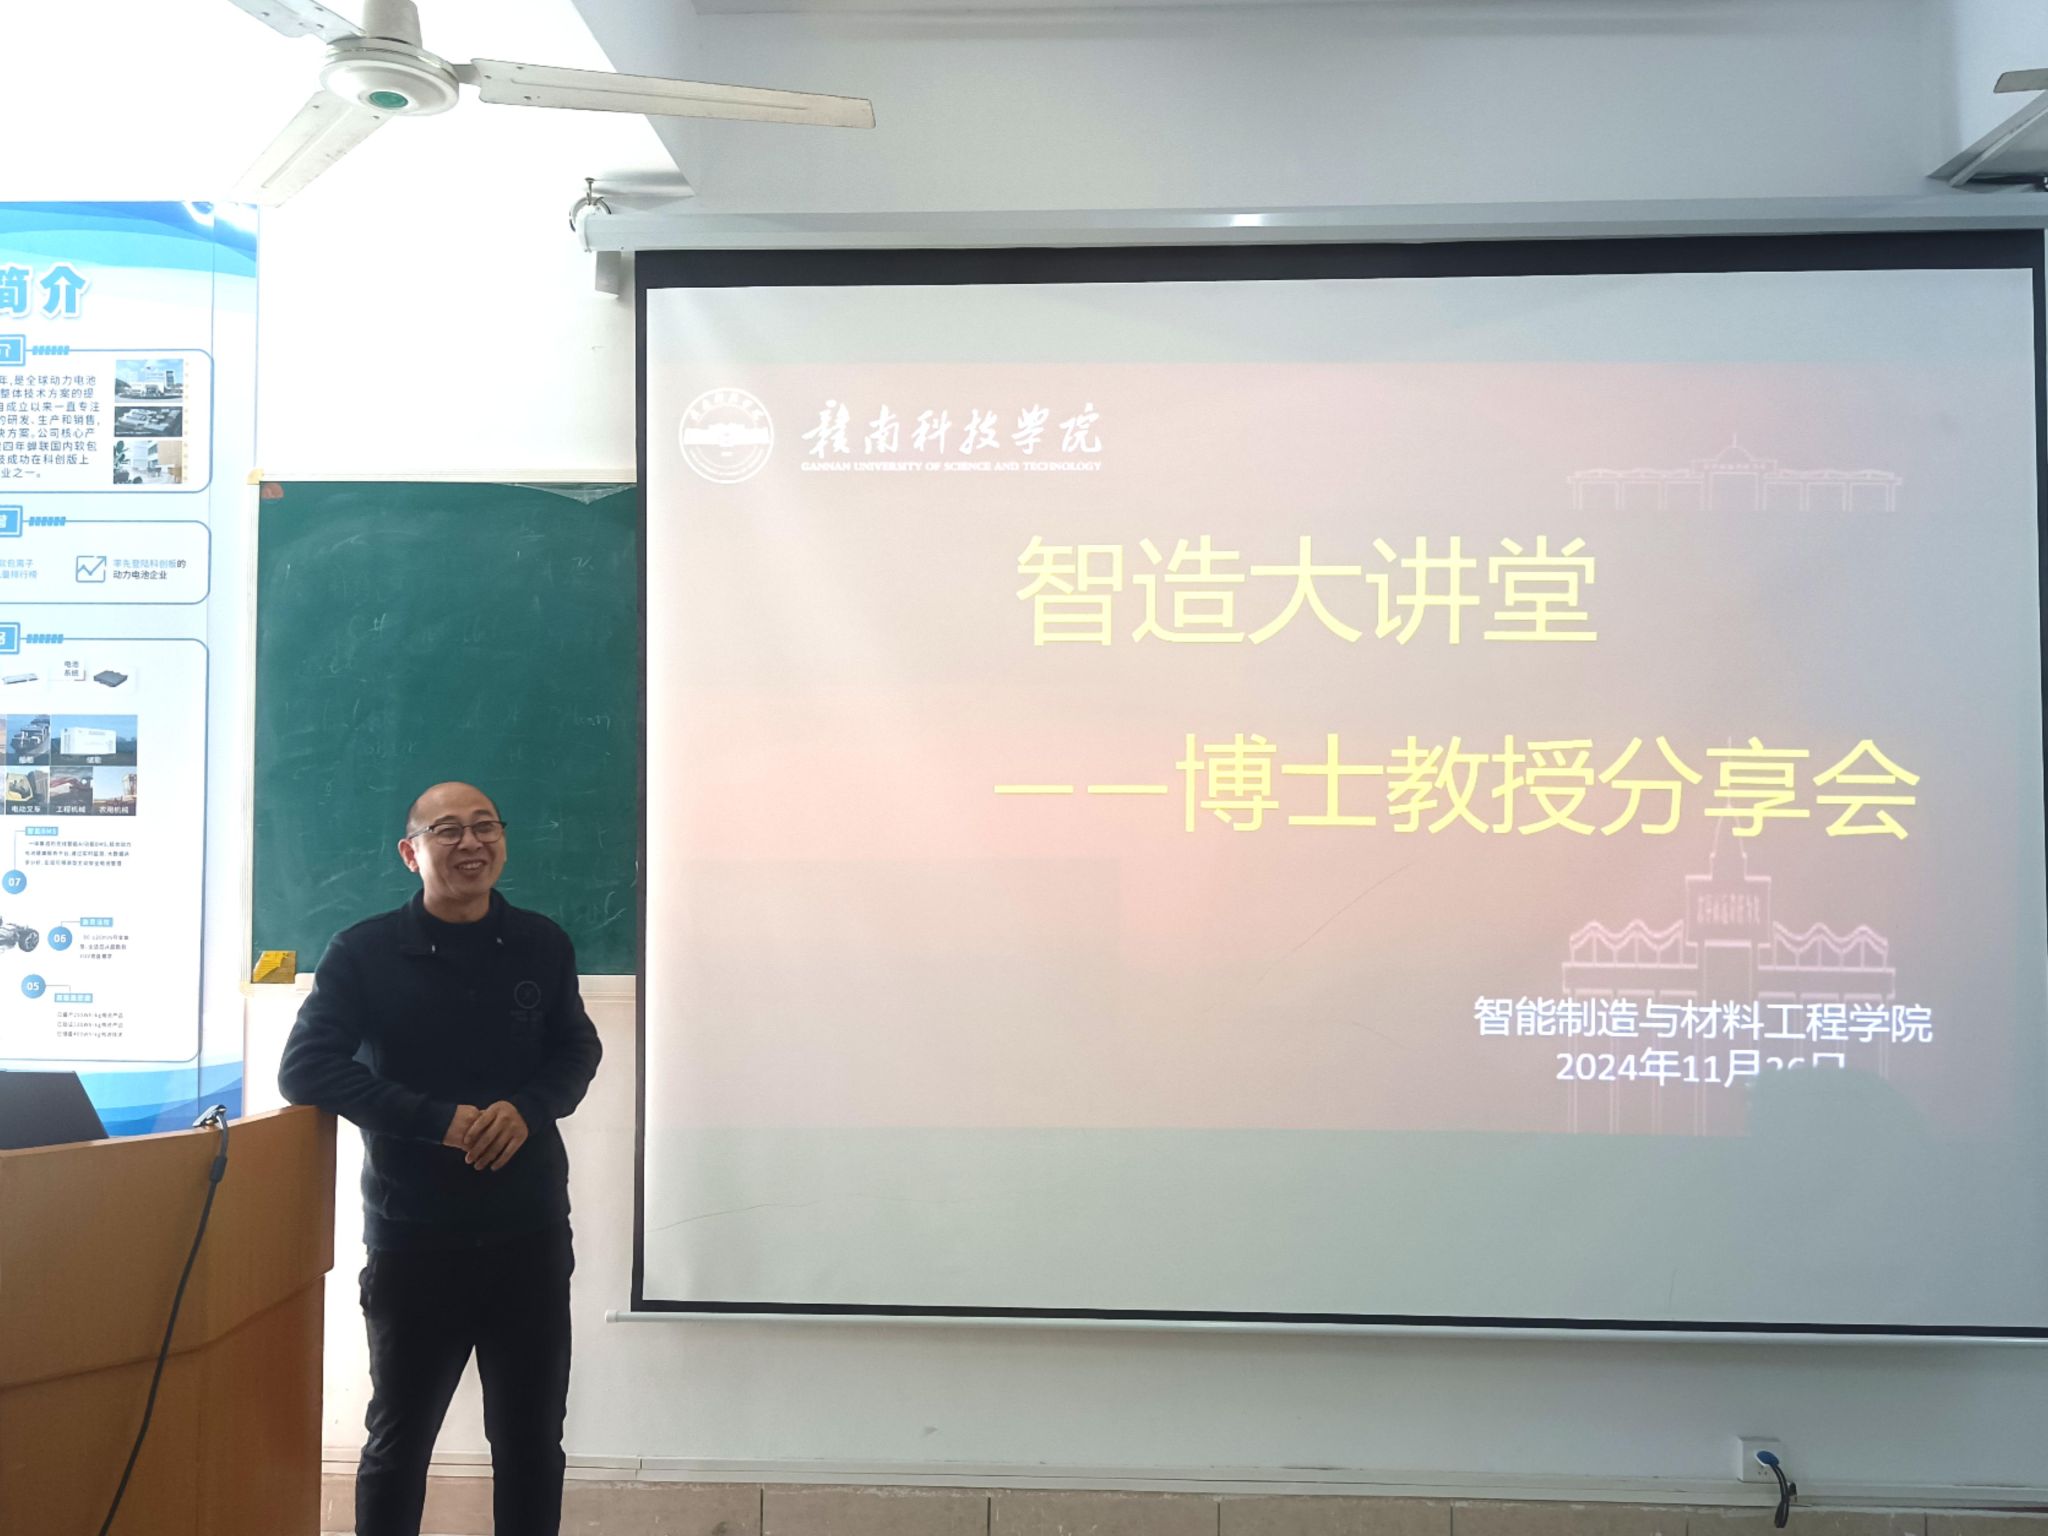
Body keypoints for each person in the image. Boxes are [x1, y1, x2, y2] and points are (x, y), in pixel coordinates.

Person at [278, 782, 602, 1536]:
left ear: (503, 840)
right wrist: (437, 1122)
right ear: (411, 851)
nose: (471, 843)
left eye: (485, 826)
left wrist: (528, 1107)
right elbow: (306, 1069)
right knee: (400, 1443)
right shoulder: (363, 953)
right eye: (448, 830)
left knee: (531, 1442)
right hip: (415, 1239)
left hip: (529, 1234)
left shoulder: (542, 943)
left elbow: (576, 1048)